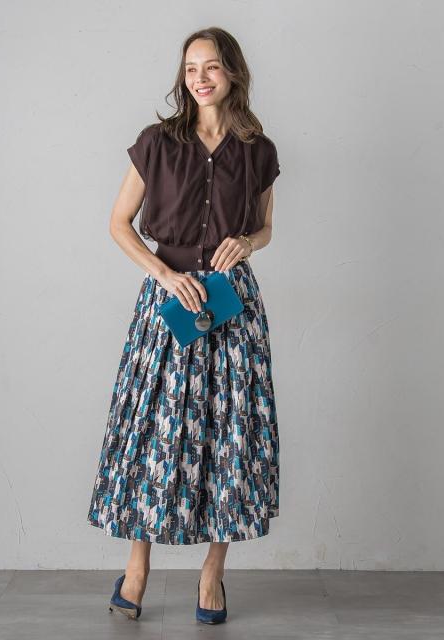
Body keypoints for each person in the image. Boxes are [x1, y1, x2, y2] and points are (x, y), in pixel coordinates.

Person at [87, 26, 281, 624]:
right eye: (192, 68)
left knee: (230, 436)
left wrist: (248, 243)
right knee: (153, 432)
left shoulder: (258, 151)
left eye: (212, 66)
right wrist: (164, 275)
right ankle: (137, 569)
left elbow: (265, 227)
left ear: (233, 73)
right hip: (168, 302)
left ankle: (212, 574)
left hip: (230, 307)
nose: (201, 78)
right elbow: (119, 223)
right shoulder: (156, 144)